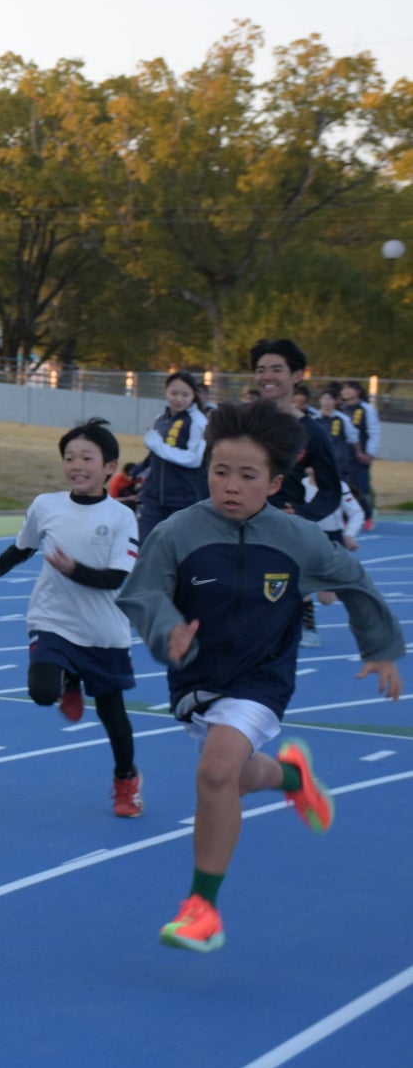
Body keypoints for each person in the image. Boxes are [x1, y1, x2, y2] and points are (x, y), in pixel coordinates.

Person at [116, 398, 403, 953]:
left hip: (261, 679)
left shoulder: (296, 540)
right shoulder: (178, 532)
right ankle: (291, 777)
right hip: (196, 682)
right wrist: (167, 627)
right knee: (233, 776)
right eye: (220, 472)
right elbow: (142, 592)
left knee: (217, 773)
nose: (231, 485)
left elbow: (355, 581)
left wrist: (381, 646)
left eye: (248, 475)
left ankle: (202, 909)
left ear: (273, 484)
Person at [0, 419, 143, 816]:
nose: (77, 464)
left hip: (103, 629)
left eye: (87, 458)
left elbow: (117, 578)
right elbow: (21, 549)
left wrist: (74, 569)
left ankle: (126, 780)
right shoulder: (47, 505)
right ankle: (66, 678)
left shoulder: (122, 517)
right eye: (70, 457)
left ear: (110, 467)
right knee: (42, 691)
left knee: (113, 714)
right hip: (53, 618)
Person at [250, 339, 343, 648]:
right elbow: (207, 474)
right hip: (236, 528)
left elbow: (331, 491)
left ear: (297, 376)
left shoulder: (312, 433)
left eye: (277, 369)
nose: (267, 376)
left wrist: (302, 515)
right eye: (261, 369)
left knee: (274, 619)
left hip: (283, 535)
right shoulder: (239, 423)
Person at [135, 371, 208, 544]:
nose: (178, 399)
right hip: (153, 498)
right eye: (174, 393)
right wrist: (137, 471)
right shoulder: (161, 418)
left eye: (185, 394)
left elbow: (194, 459)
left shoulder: (199, 421)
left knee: (177, 551)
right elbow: (155, 454)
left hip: (182, 500)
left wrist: (158, 445)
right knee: (144, 547)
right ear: (166, 392)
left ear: (193, 395)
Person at [338, 381, 380, 527]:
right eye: (344, 389)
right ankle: (344, 517)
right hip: (342, 454)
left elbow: (373, 432)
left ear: (358, 391)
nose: (346, 392)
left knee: (358, 487)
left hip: (359, 454)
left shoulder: (366, 409)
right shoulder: (340, 409)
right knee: (342, 486)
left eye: (350, 389)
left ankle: (367, 515)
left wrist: (369, 453)